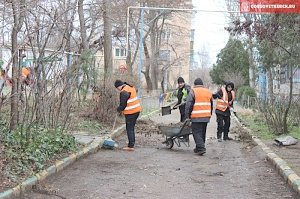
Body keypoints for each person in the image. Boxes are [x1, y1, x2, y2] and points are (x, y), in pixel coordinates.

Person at [185, 78, 213, 155]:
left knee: (196, 132)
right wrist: (210, 114)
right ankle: (199, 148)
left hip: (196, 116)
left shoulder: (193, 91)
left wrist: (187, 116)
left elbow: (189, 105)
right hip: (206, 116)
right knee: (202, 132)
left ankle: (201, 147)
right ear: (202, 84)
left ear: (194, 84)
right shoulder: (208, 91)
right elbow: (211, 104)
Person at [114, 80, 142, 151]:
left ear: (119, 86)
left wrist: (118, 109)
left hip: (131, 112)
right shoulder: (130, 87)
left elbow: (123, 104)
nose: (118, 90)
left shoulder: (124, 92)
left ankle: (130, 146)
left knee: (129, 128)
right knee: (131, 128)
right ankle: (131, 141)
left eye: (117, 88)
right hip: (136, 110)